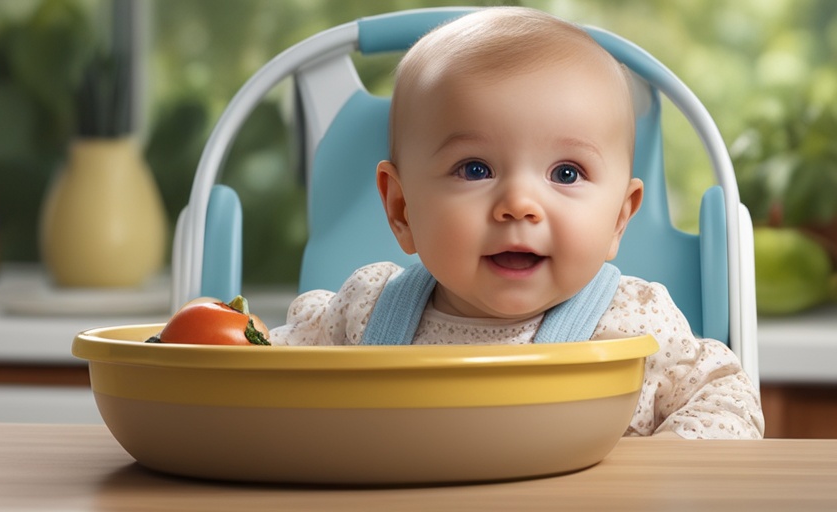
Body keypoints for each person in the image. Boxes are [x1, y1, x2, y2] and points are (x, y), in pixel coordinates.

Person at [268, 6, 764, 439]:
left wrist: (658, 474)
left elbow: (728, 403)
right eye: (475, 169)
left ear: (618, 218)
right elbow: (260, 382)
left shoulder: (635, 327)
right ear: (401, 209)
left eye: (566, 173)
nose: (520, 204)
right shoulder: (362, 318)